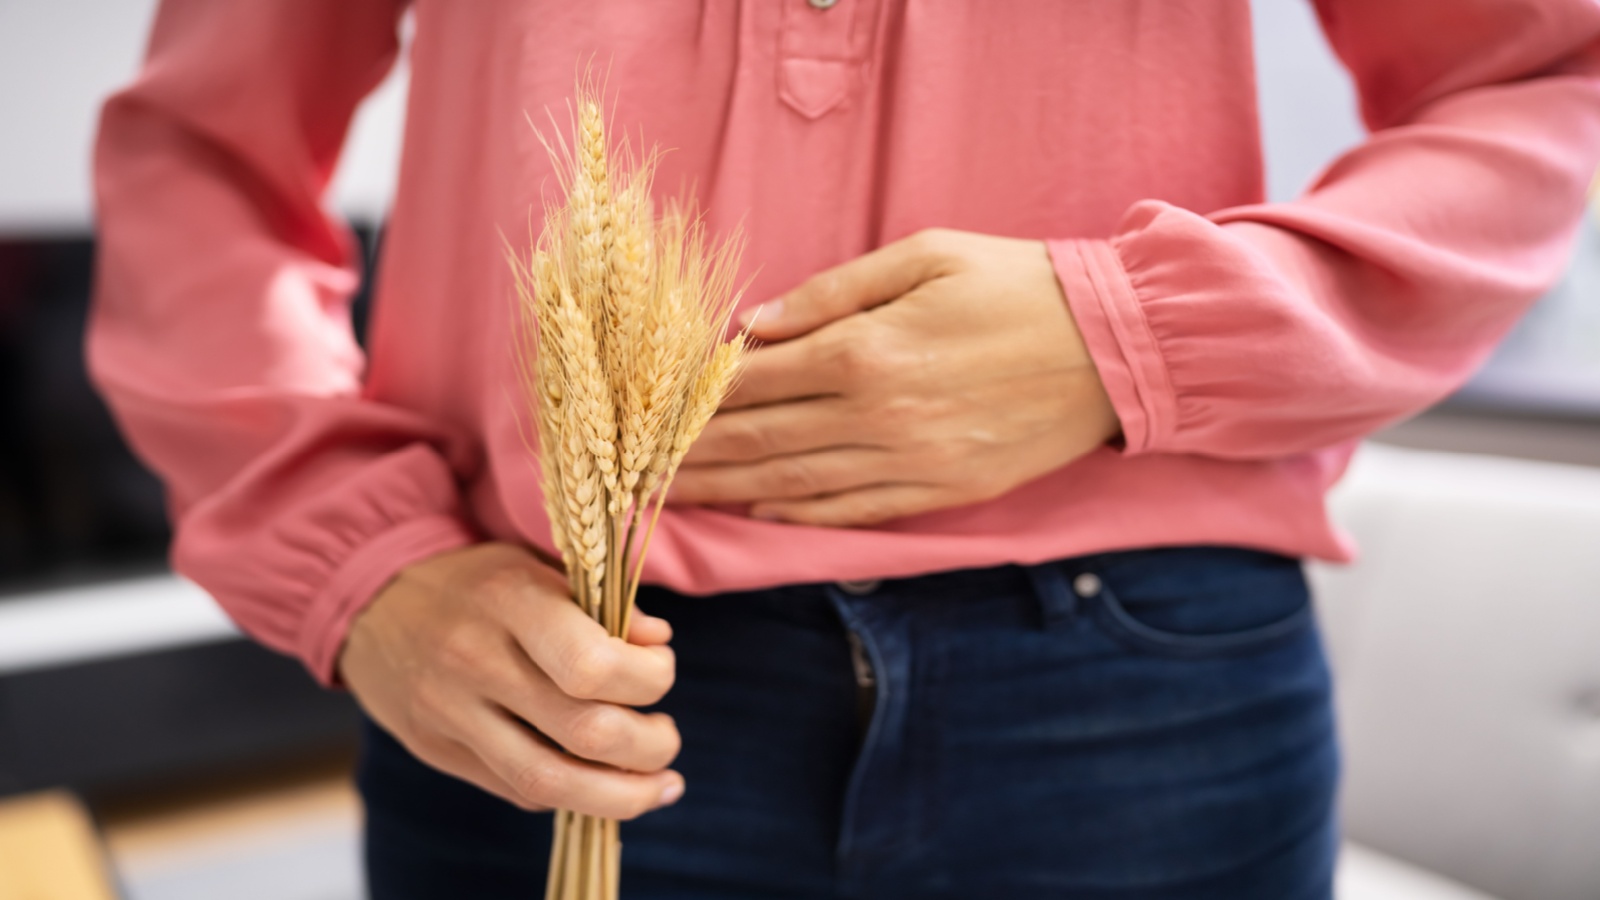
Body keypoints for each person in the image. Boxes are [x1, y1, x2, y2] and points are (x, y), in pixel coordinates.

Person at [89, 2, 1600, 897]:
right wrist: (355, 560)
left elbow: (1543, 72)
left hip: (1138, 699)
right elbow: (199, 158)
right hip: (549, 694)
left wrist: (1134, 330)